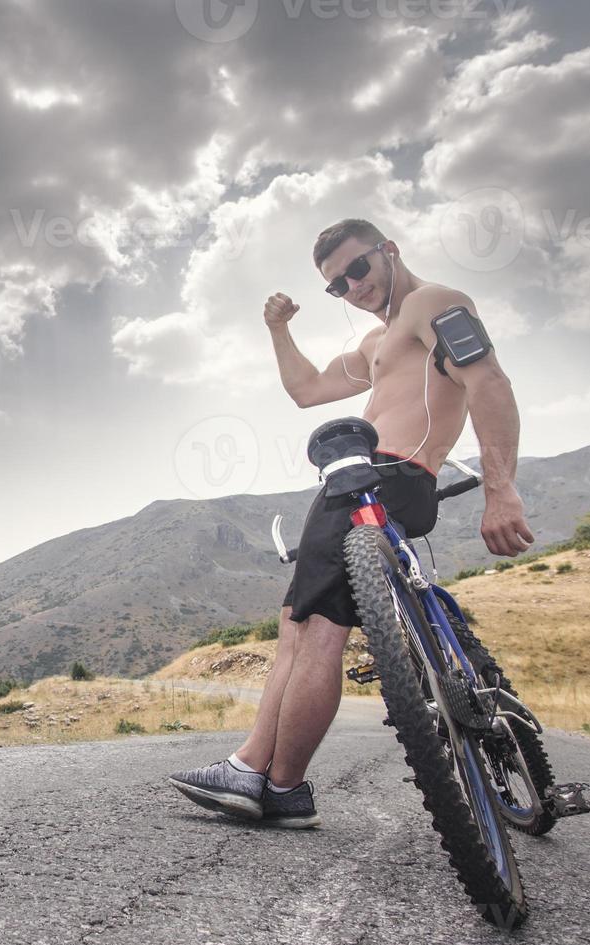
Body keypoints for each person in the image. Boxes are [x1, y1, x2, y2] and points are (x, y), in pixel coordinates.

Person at [168, 218, 535, 828]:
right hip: (380, 486)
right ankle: (262, 773)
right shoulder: (378, 344)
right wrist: (278, 329)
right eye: (336, 286)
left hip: (378, 479)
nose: (351, 287)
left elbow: (488, 381)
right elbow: (307, 390)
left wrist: (502, 489)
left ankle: (274, 780)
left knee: (310, 628)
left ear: (389, 250)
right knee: (302, 624)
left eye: (357, 269)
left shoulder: (434, 304)